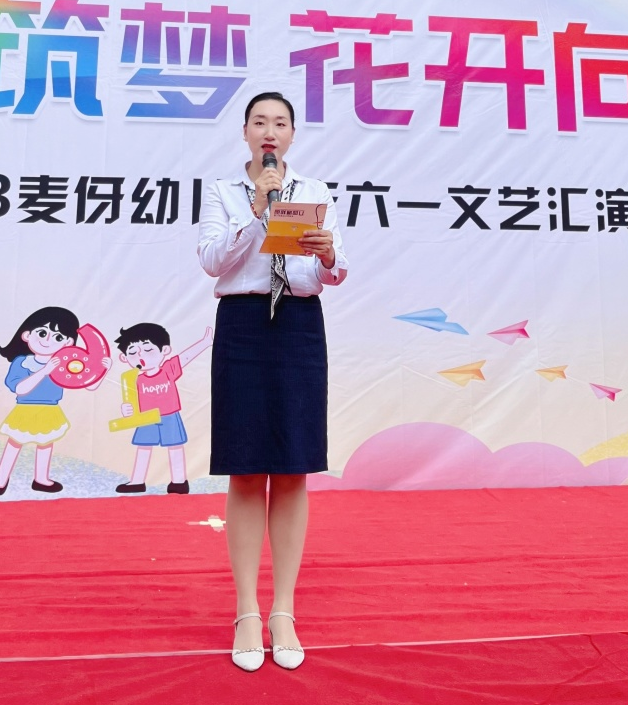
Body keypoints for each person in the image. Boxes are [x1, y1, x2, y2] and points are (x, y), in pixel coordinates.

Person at [197, 91, 349, 671]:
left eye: (280, 122)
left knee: (291, 468)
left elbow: (333, 272)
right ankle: (246, 610)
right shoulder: (224, 191)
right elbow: (212, 261)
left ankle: (283, 610)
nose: (269, 131)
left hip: (298, 327)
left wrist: (328, 254)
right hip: (242, 326)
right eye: (259, 121)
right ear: (244, 132)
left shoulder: (315, 191)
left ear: (291, 134)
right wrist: (258, 214)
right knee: (245, 468)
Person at [0, 306, 111, 495]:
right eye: (42, 333)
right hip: (25, 410)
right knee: (15, 443)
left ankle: (41, 479)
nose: (48, 340)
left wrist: (102, 371)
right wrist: (44, 371)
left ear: (69, 342)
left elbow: (89, 385)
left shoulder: (65, 363)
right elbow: (19, 388)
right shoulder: (22, 362)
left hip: (50, 410)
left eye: (58, 337)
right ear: (27, 335)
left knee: (45, 444)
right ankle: (0, 479)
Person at [113, 322, 213, 494]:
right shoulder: (133, 379)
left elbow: (185, 357)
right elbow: (130, 401)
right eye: (133, 353)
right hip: (146, 418)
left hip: (169, 416)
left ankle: (179, 481)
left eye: (148, 349)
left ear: (164, 350)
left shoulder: (168, 370)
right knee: (143, 448)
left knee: (175, 447)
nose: (141, 356)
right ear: (124, 358)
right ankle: (137, 481)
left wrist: (205, 342)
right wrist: (126, 409)